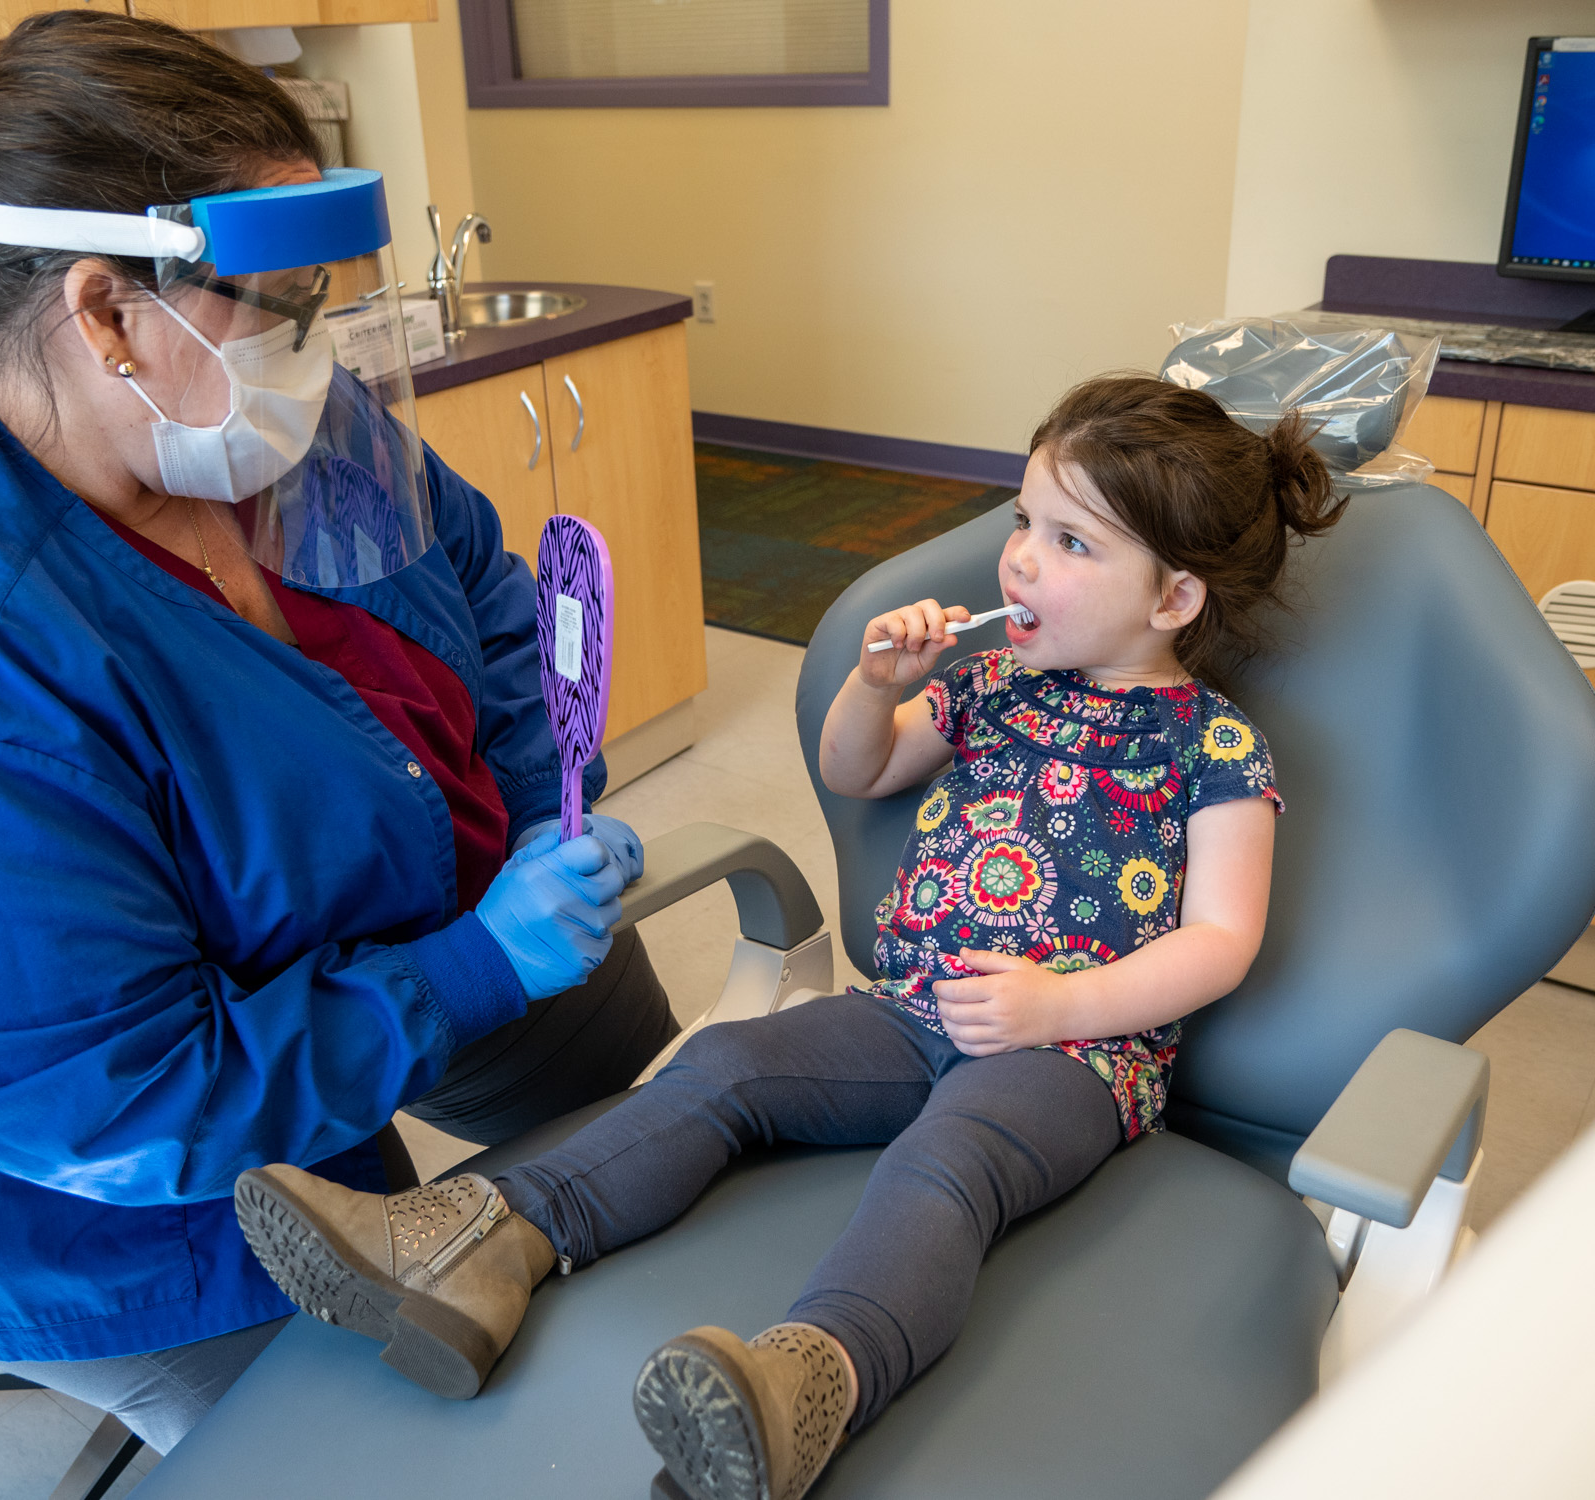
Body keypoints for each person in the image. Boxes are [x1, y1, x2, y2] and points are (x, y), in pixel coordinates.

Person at [0, 11, 673, 1455]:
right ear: (102, 313)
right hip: (75, 1179)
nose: (313, 341)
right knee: (438, 1439)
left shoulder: (253, 418)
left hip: (361, 937)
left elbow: (481, 591)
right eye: (280, 299)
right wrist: (470, 969)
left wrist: (538, 813)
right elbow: (126, 1104)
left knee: (668, 1144)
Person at [237, 375, 1349, 1500]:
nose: (1017, 559)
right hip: (905, 1013)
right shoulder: (990, 684)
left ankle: (801, 1392)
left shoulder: (1211, 748)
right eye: (1021, 521)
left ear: (1172, 601)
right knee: (722, 1066)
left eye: (1068, 542)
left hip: (1073, 1059)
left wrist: (1059, 1009)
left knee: (945, 1162)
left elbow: (1219, 940)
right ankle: (474, 1249)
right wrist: (876, 688)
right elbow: (852, 770)